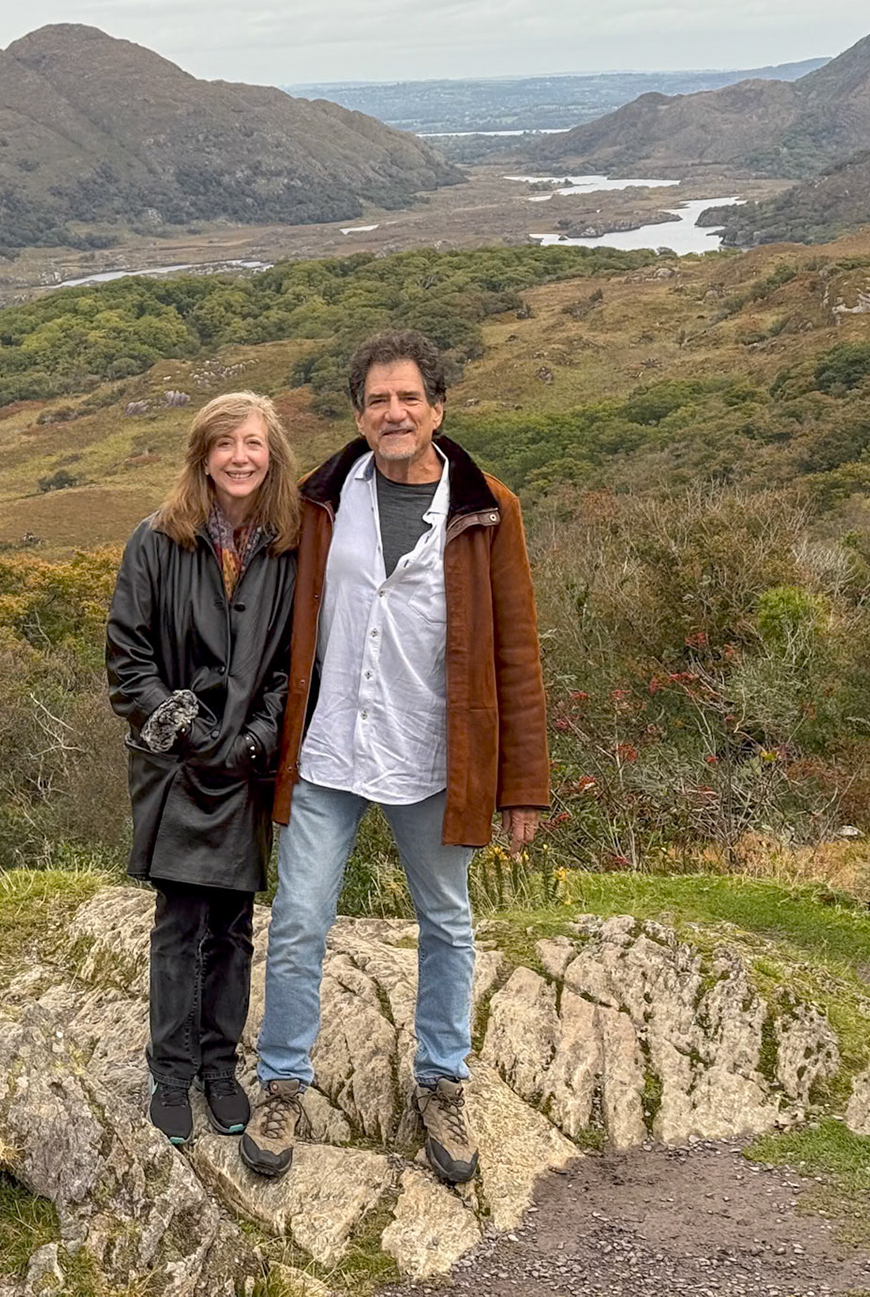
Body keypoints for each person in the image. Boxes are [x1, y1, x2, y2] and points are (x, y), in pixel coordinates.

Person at [241, 330, 549, 1185]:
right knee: (300, 918)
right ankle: (282, 1084)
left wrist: (521, 785)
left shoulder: (488, 508)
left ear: (438, 408)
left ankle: (444, 1083)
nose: (394, 412)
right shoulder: (321, 500)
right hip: (330, 749)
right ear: (359, 414)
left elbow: (517, 652)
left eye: (409, 397)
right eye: (378, 400)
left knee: (447, 921)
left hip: (430, 757)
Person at [106, 391, 300, 1145]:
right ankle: (171, 1071)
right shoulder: (156, 541)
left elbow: (297, 664)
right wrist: (192, 734)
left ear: (271, 454)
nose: (240, 458)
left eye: (252, 443)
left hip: (249, 766)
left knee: (234, 927)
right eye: (225, 445)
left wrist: (253, 740)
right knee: (179, 922)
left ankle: (220, 1069)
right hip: (177, 768)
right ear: (203, 456)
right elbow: (130, 661)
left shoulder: (290, 548)